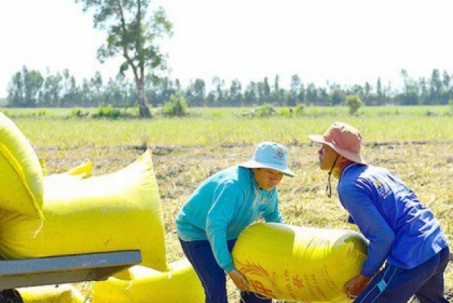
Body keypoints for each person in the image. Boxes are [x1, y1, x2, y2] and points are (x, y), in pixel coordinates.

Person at [308, 121, 450, 303]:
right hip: (436, 244)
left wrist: (363, 278)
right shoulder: (379, 172)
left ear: (342, 157)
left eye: (325, 148)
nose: (319, 152)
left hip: (412, 255)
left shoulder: (349, 186)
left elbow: (383, 237)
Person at [176, 141, 295, 303]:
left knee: (257, 280)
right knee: (215, 285)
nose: (275, 178)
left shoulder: (268, 189)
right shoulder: (233, 187)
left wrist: (290, 249)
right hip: (197, 232)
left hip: (232, 231)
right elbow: (215, 226)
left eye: (280, 174)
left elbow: (273, 218)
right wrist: (230, 268)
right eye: (270, 171)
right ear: (255, 168)